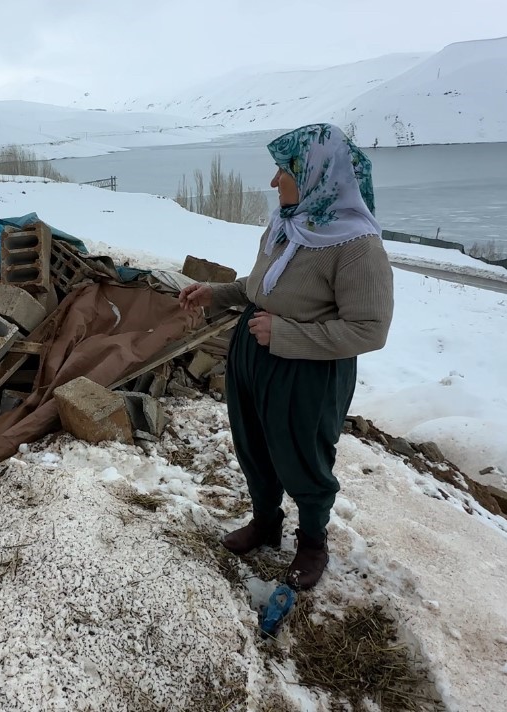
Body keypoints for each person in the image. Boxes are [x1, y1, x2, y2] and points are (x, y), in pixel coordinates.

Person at [178, 123, 394, 590]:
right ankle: (265, 522)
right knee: (253, 446)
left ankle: (312, 543)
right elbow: (259, 289)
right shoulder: (287, 224)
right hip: (254, 355)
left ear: (317, 174)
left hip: (308, 372)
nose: (275, 181)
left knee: (303, 458)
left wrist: (288, 336)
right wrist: (214, 293)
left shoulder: (357, 246)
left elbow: (369, 329)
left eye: (283, 169)